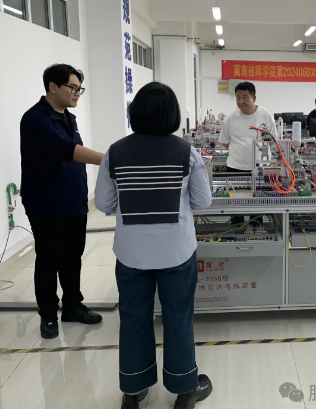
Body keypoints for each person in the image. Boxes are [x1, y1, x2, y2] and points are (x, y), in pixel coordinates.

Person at [95, 82, 213, 409]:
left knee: (134, 318)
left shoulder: (115, 152)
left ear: (135, 112)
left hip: (131, 253)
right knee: (178, 317)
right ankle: (184, 389)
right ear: (172, 114)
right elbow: (203, 201)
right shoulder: (186, 152)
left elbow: (103, 203)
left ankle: (134, 390)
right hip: (176, 252)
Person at [20, 64, 104, 340]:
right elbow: (66, 150)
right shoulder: (35, 119)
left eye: (80, 88)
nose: (77, 93)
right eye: (73, 87)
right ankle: (47, 314)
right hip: (46, 203)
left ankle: (72, 306)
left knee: (72, 257)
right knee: (49, 258)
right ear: (53, 87)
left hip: (74, 200)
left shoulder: (69, 118)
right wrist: (110, 159)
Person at [219, 81, 278, 172]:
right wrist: (240, 153)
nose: (240, 101)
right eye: (238, 98)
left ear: (254, 98)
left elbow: (272, 140)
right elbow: (225, 142)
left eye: (245, 97)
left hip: (261, 166)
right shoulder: (230, 119)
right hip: (235, 167)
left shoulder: (266, 115)